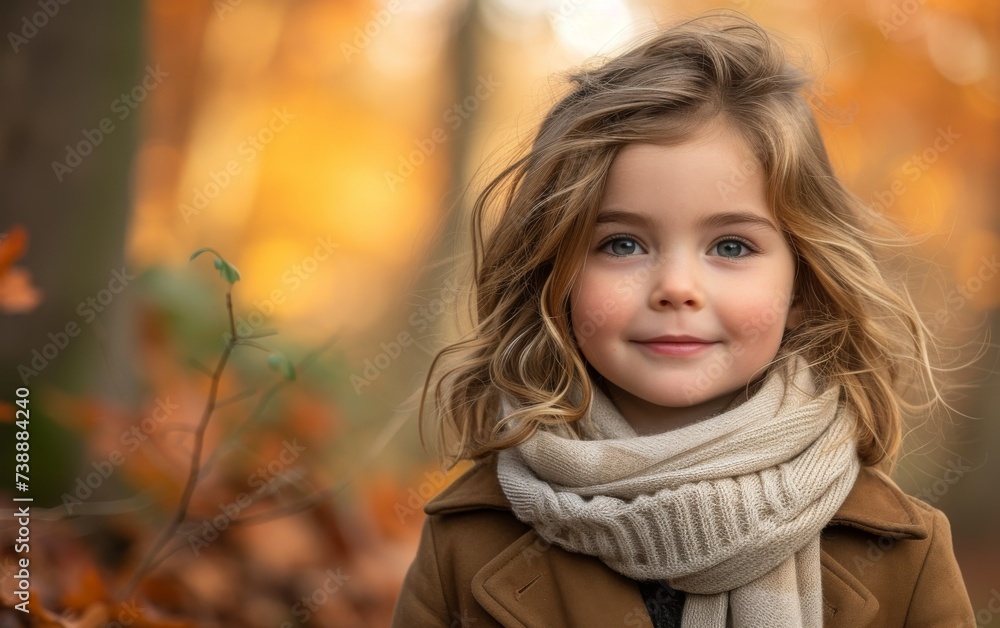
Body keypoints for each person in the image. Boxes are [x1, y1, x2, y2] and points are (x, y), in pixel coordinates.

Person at [392, 10, 975, 627]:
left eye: (730, 247)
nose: (675, 288)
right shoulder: (467, 543)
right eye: (622, 244)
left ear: (803, 283)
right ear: (556, 276)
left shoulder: (901, 553)